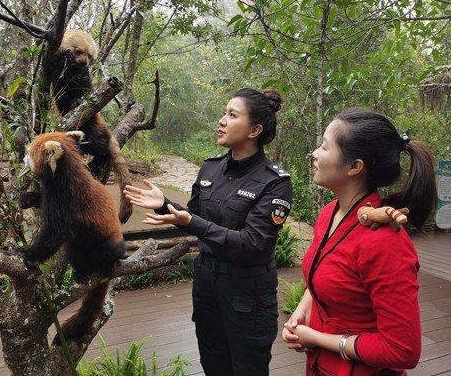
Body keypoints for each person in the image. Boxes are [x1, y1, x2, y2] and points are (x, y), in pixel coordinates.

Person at [124, 88, 292, 375]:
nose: (222, 120)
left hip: (247, 295)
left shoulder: (274, 182)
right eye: (224, 113)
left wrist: (191, 222)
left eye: (232, 115)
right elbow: (195, 216)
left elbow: (254, 244)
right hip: (207, 286)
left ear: (255, 129)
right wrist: (165, 205)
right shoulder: (211, 169)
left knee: (247, 369)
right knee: (213, 365)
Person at [281, 108, 437, 375]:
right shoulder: (329, 214)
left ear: (354, 167)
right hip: (320, 367)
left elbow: (403, 350)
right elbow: (320, 278)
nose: (315, 154)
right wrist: (301, 311)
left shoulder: (385, 243)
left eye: (324, 148)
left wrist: (316, 338)